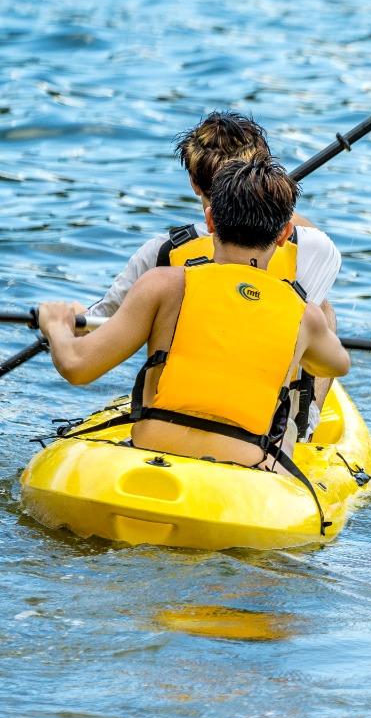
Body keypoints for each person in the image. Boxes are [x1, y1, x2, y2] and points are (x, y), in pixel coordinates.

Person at [37, 157, 350, 493]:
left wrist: (56, 325)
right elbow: (337, 365)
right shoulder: (304, 314)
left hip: (153, 449)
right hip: (245, 468)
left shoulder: (162, 285)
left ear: (210, 220)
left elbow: (76, 366)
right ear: (285, 234)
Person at [90, 111, 342, 436]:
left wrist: (63, 323)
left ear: (194, 184)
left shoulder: (161, 252)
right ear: (263, 172)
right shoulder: (315, 248)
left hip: (169, 422)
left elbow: (97, 324)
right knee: (321, 310)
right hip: (265, 433)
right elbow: (295, 230)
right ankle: (304, 423)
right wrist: (273, 201)